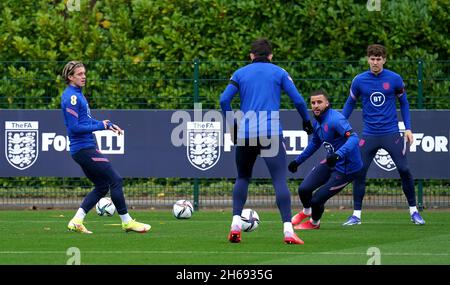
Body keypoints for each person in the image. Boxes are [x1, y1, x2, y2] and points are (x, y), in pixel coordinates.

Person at [219, 38, 313, 245]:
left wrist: (232, 124)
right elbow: (298, 100)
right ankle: (288, 230)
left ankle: (235, 224)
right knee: (279, 179)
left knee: (243, 178)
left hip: (245, 133)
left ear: (251, 56)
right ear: (271, 56)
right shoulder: (279, 72)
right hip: (270, 133)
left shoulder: (240, 73)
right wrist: (306, 121)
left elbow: (224, 100)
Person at [61, 61, 151, 234]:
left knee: (102, 186)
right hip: (83, 148)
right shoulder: (71, 97)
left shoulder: (78, 95)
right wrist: (101, 125)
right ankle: (127, 222)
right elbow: (74, 128)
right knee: (115, 180)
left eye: (84, 73)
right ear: (70, 77)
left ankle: (76, 220)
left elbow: (86, 122)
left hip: (82, 149)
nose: (84, 76)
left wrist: (106, 124)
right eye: (79, 74)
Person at [341, 44, 425, 226]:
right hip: (369, 134)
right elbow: (349, 104)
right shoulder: (359, 81)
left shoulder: (394, 79)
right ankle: (356, 215)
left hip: (392, 134)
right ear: (367, 59)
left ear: (384, 60)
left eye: (379, 59)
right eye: (372, 59)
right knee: (359, 172)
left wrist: (408, 128)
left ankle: (414, 212)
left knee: (404, 170)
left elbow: (404, 104)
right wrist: (338, 126)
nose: (375, 62)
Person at [288, 90, 363, 229]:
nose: (316, 105)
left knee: (317, 200)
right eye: (313, 103)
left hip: (347, 169)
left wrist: (338, 155)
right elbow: (315, 143)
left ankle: (314, 223)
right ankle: (306, 211)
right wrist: (297, 161)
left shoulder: (336, 119)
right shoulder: (317, 121)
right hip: (331, 162)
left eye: (319, 102)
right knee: (304, 189)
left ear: (327, 103)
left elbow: (354, 138)